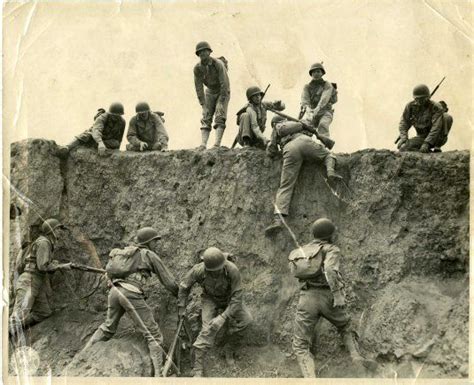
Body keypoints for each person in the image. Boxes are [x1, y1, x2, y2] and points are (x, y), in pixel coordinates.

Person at [85, 227, 178, 377]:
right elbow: (168, 281)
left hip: (115, 291)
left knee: (108, 327)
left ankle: (83, 354)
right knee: (154, 335)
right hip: (130, 293)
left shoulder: (125, 253)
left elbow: (109, 272)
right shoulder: (149, 254)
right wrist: (179, 293)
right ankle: (159, 377)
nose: (156, 244)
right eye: (155, 241)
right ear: (148, 242)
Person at [291, 218, 377, 377]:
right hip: (327, 297)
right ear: (330, 235)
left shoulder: (301, 251)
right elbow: (330, 270)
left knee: (301, 345)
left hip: (306, 298)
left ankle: (310, 379)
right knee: (345, 326)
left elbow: (295, 272)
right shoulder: (331, 249)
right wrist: (337, 295)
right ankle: (356, 357)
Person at [178, 247, 252, 377]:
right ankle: (197, 369)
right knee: (207, 329)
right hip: (210, 299)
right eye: (213, 272)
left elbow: (237, 298)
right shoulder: (198, 270)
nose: (216, 273)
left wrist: (222, 317)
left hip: (230, 299)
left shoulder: (232, 270)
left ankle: (229, 349)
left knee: (247, 320)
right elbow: (184, 287)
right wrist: (182, 307)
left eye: (218, 270)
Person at [264, 116, 342, 235]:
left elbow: (272, 149)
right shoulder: (296, 124)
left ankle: (278, 220)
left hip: (290, 149)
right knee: (329, 155)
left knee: (286, 186)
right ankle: (330, 171)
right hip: (304, 141)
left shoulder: (277, 127)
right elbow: (308, 132)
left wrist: (270, 153)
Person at [9, 218, 72, 338]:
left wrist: (55, 264)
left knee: (43, 312)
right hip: (29, 281)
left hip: (37, 282)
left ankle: (14, 329)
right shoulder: (44, 242)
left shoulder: (47, 243)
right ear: (51, 230)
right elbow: (42, 266)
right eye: (58, 229)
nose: (60, 232)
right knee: (19, 314)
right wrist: (61, 266)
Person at [193, 41, 230, 149]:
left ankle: (216, 144)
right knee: (206, 116)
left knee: (220, 115)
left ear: (209, 52)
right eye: (200, 52)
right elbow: (198, 88)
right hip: (209, 91)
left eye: (205, 51)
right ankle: (203, 144)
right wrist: (203, 106)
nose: (202, 54)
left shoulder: (218, 64)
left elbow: (224, 84)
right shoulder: (197, 68)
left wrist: (221, 102)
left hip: (222, 91)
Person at [58, 103, 126, 158]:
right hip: (95, 136)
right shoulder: (103, 117)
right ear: (110, 113)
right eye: (113, 115)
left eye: (118, 115)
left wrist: (117, 149)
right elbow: (96, 130)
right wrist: (100, 142)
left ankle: (92, 146)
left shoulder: (122, 122)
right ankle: (67, 147)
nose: (116, 117)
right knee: (86, 136)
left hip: (106, 140)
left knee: (115, 143)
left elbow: (119, 138)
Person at [397, 85, 450, 153]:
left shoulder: (436, 107)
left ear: (428, 97)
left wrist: (427, 143)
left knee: (446, 117)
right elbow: (404, 122)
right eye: (416, 99)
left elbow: (436, 127)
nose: (419, 101)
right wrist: (404, 138)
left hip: (437, 137)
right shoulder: (410, 106)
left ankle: (437, 146)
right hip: (421, 137)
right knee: (403, 148)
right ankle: (426, 151)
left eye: (422, 98)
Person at [300, 63, 338, 137]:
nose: (316, 74)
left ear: (322, 73)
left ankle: (323, 146)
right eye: (314, 72)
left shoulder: (327, 84)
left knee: (323, 125)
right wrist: (308, 110)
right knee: (303, 127)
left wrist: (318, 108)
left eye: (318, 71)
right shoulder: (307, 87)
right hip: (312, 113)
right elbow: (305, 100)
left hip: (325, 112)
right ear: (311, 74)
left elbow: (325, 97)